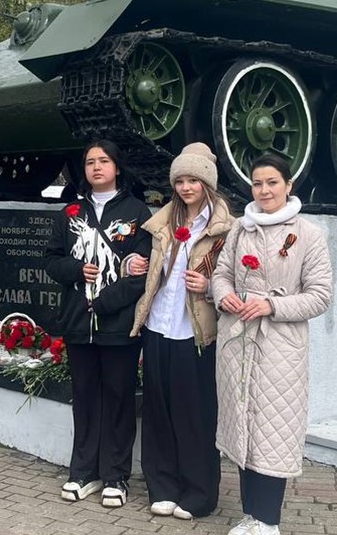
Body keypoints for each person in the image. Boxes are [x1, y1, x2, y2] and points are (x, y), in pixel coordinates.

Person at [211, 153, 333, 535]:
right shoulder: (240, 229)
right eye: (257, 183)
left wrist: (272, 305)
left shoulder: (308, 234)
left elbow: (320, 295)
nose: (264, 190)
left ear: (288, 185)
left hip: (279, 346)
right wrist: (225, 296)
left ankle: (268, 520)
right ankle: (251, 515)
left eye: (272, 182)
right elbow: (221, 274)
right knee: (242, 426)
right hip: (237, 342)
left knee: (272, 429)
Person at [129, 143, 233, 520]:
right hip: (158, 326)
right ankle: (162, 486)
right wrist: (132, 264)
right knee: (158, 411)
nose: (186, 187)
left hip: (196, 333)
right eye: (180, 181)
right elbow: (141, 263)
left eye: (194, 180)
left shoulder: (226, 229)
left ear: (208, 183)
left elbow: (237, 280)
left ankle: (199, 493)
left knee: (195, 414)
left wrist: (208, 287)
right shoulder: (163, 223)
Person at [45, 140, 152, 508]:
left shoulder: (137, 212)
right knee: (85, 399)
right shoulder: (71, 212)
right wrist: (76, 270)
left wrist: (104, 302)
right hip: (78, 322)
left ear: (117, 167)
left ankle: (116, 476)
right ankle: (83, 472)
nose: (96, 167)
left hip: (119, 324)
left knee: (119, 400)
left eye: (104, 160)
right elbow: (51, 260)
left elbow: (144, 272)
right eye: (90, 161)